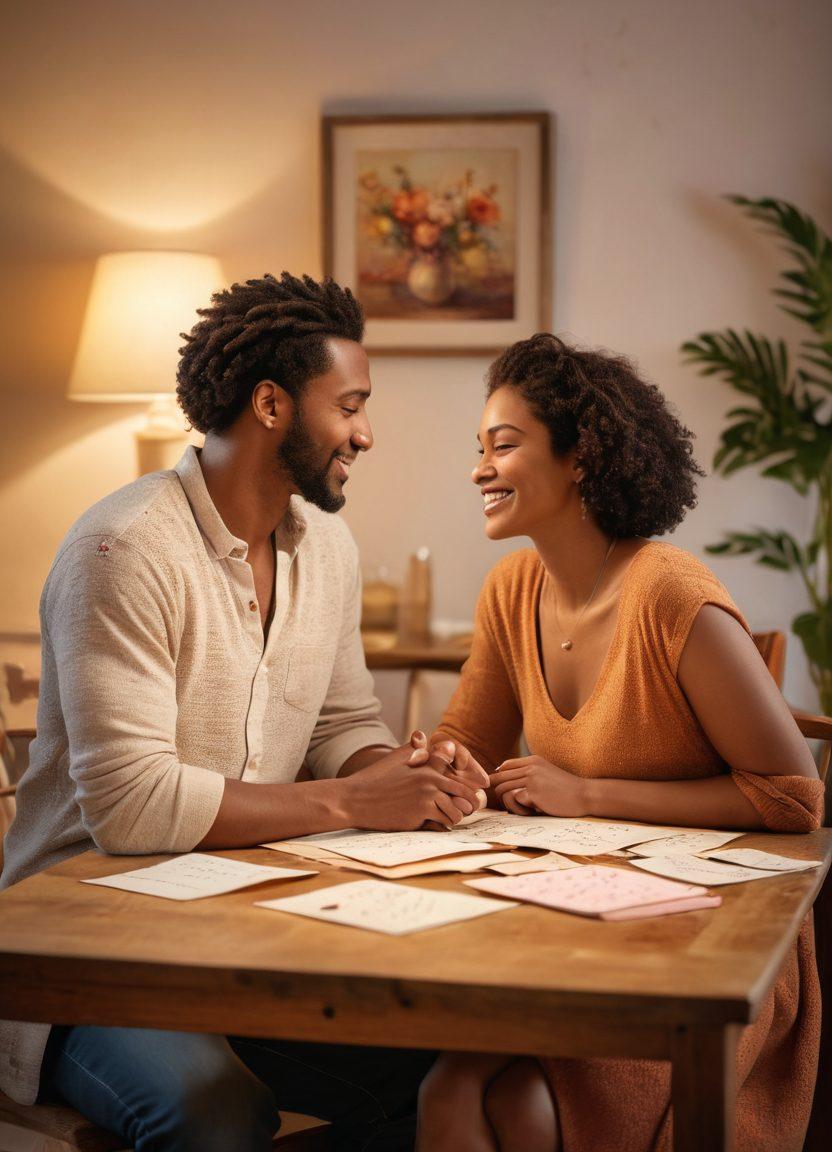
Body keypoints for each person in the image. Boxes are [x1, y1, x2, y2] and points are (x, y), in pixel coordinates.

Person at [0, 272, 487, 1152]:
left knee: (460, 1073)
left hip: (242, 927)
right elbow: (132, 804)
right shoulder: (124, 549)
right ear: (271, 404)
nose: (366, 434)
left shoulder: (326, 549)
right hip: (84, 955)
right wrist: (349, 806)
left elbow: (341, 724)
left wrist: (408, 777)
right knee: (215, 1115)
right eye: (350, 406)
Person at [416, 333, 824, 1152]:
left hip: (704, 952)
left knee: (520, 1108)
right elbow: (471, 737)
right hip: (571, 928)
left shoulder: (669, 595)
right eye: (479, 447)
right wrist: (442, 764)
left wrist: (586, 793)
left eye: (504, 444)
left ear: (580, 457)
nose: (479, 469)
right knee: (447, 1088)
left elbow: (794, 796)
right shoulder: (511, 588)